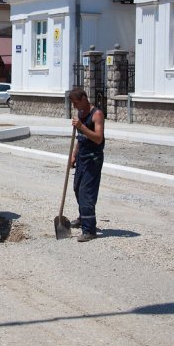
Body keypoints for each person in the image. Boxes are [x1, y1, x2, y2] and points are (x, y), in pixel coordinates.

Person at [69, 88, 105, 242]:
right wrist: (74, 155)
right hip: (82, 156)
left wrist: (81, 127)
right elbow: (81, 138)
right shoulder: (80, 114)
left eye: (76, 103)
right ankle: (83, 217)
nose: (75, 106)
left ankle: (89, 230)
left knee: (86, 192)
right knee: (77, 187)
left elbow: (98, 138)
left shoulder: (97, 114)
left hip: (93, 158)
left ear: (84, 98)